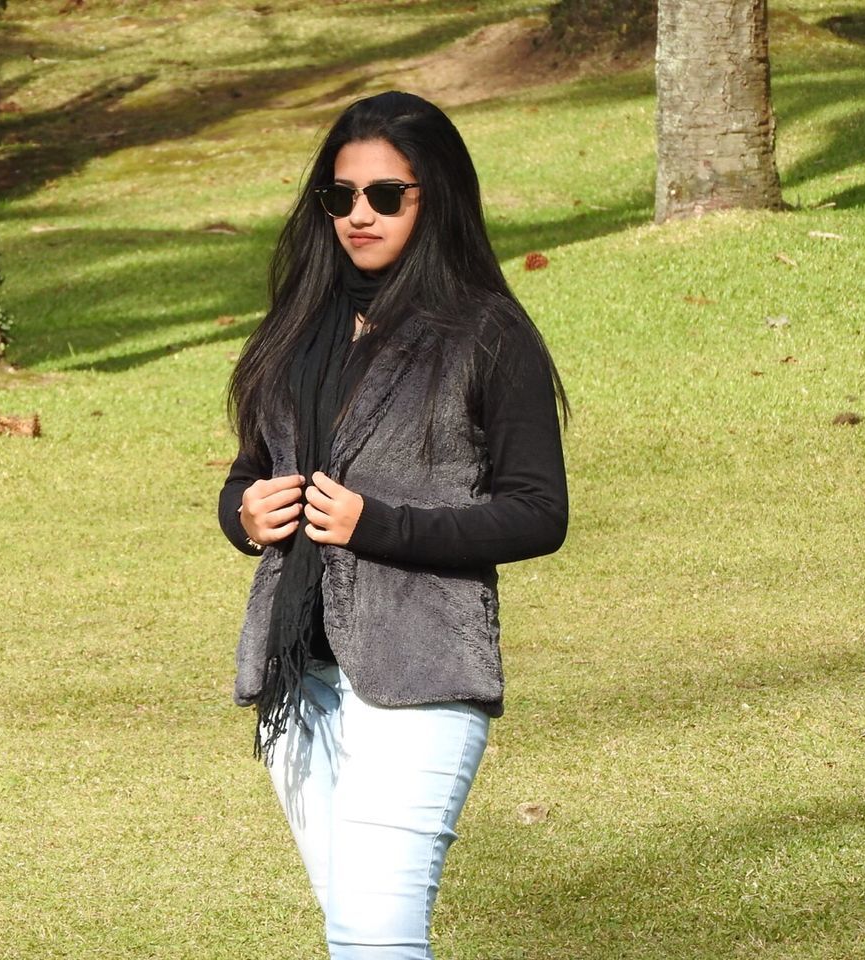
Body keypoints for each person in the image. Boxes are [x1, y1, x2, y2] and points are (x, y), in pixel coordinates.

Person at [217, 91, 569, 959]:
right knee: (355, 935)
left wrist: (382, 524)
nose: (358, 215)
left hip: (420, 670)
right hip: (297, 678)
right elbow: (250, 471)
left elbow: (538, 513)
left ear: (435, 197)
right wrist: (243, 513)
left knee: (377, 935)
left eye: (386, 195)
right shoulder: (301, 325)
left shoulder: (488, 333)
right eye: (339, 197)